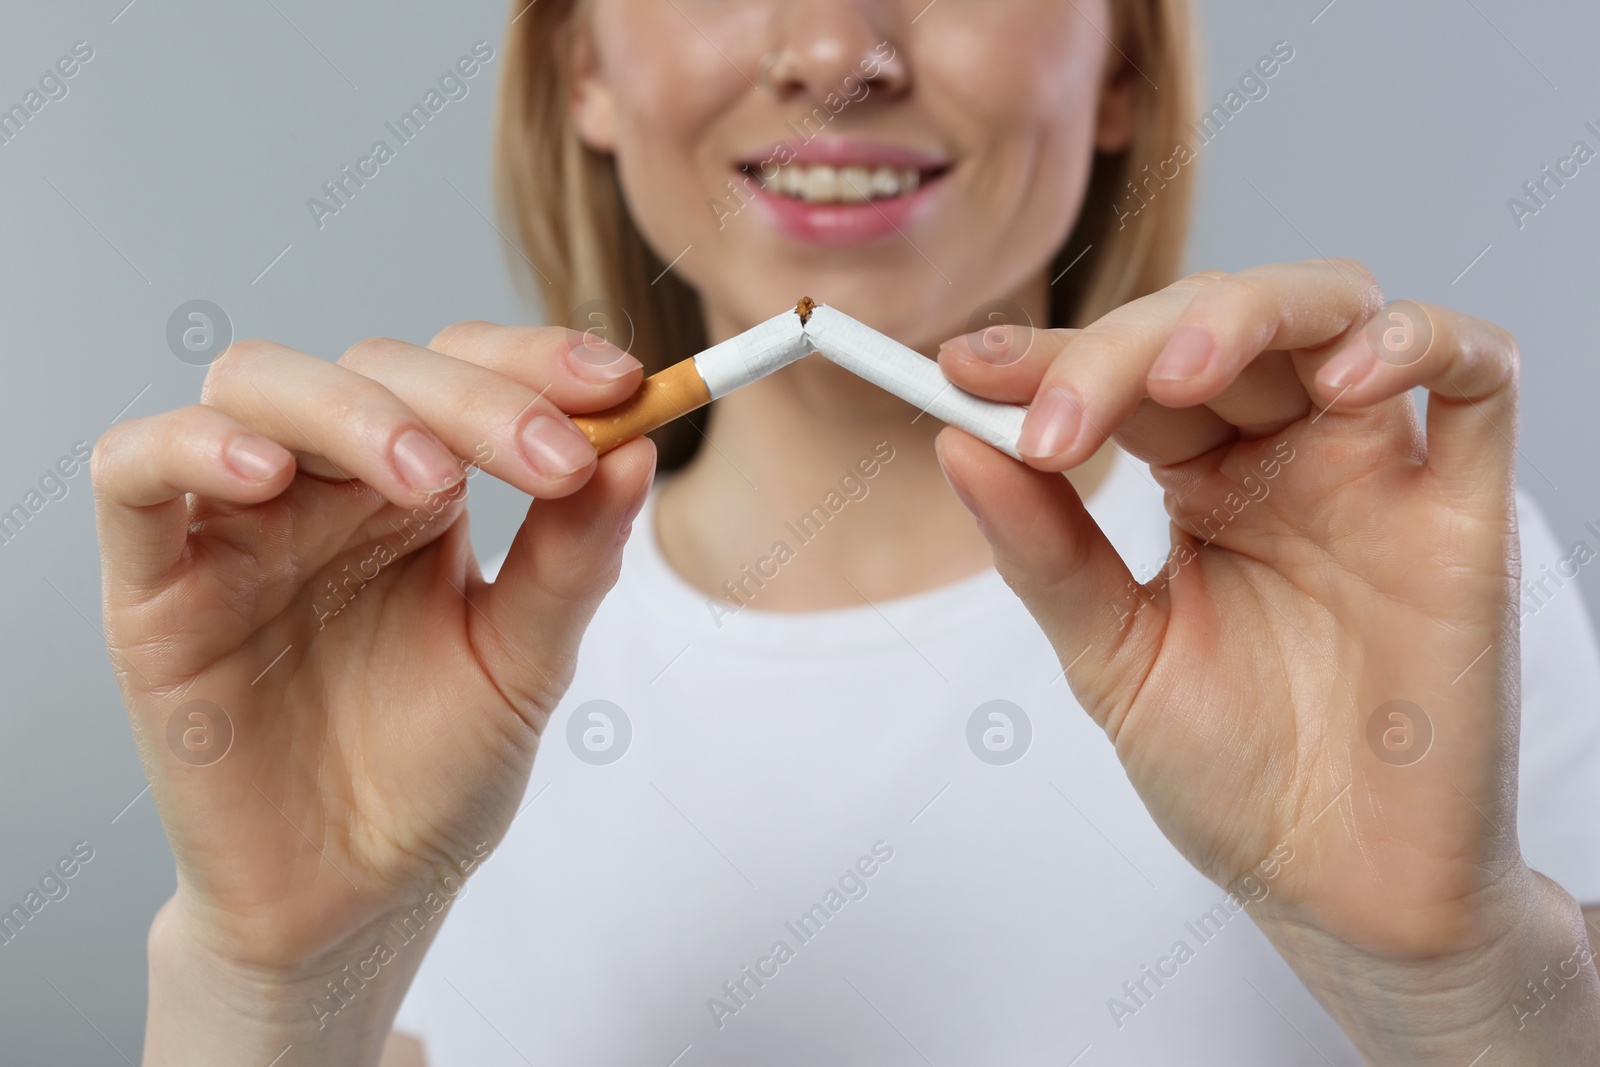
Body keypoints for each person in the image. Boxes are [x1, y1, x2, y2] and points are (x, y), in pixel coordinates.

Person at [92, 0, 1600, 1063]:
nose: (835, 49)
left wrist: (1463, 996)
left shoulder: (1408, 594)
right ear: (585, 67)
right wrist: (271, 985)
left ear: (1122, 57)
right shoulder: (418, 677)